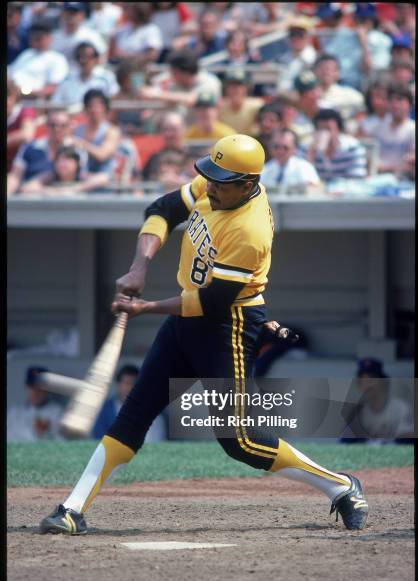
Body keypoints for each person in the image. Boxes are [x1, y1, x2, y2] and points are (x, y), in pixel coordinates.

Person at [39, 134, 368, 536]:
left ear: (248, 185)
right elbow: (161, 209)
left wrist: (144, 308)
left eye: (221, 181)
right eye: (209, 176)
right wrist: (140, 266)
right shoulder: (218, 188)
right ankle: (72, 509)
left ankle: (341, 486)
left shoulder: (250, 230)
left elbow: (210, 303)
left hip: (227, 326)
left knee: (240, 441)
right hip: (183, 322)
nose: (209, 185)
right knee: (133, 415)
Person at [7, 110, 78, 196]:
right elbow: (15, 176)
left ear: (69, 127)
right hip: (30, 201)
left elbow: (80, 178)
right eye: (53, 125)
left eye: (62, 125)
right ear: (46, 126)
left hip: (66, 202)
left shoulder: (76, 149)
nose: (57, 129)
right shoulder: (30, 147)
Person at [341, 358, 413, 442]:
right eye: (363, 380)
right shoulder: (357, 412)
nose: (367, 384)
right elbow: (347, 444)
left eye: (371, 378)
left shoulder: (400, 407)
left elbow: (408, 442)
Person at [92, 364, 167, 441]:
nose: (130, 388)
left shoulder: (154, 410)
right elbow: (98, 438)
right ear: (119, 385)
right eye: (127, 383)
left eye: (134, 384)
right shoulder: (104, 410)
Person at [141, 49, 222, 110]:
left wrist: (158, 94)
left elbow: (192, 99)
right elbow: (148, 88)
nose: (171, 75)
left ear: (185, 73)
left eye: (174, 72)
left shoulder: (210, 82)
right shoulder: (174, 81)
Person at [8, 20, 69, 98]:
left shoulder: (57, 58)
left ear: (49, 38)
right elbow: (11, 72)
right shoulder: (27, 53)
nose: (35, 41)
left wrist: (26, 92)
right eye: (33, 38)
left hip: (34, 100)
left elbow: (53, 88)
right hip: (14, 95)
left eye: (39, 38)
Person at [19, 144, 109, 195]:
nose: (62, 164)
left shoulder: (81, 176)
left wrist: (75, 189)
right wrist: (55, 192)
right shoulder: (51, 176)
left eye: (67, 159)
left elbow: (104, 178)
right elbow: (27, 188)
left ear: (77, 163)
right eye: (59, 160)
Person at [306, 108, 368, 183]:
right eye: (321, 129)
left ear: (338, 130)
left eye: (328, 129)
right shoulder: (306, 148)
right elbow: (302, 180)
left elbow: (357, 178)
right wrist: (310, 158)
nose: (324, 133)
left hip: (346, 191)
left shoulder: (352, 148)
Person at [71, 89, 121, 179]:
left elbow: (102, 155)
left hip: (105, 178)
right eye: (91, 106)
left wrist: (81, 143)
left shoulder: (112, 131)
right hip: (81, 176)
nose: (94, 110)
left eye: (98, 106)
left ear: (105, 109)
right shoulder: (78, 130)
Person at [367, 84, 415, 176]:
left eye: (399, 99)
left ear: (409, 104)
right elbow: (369, 157)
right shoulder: (378, 127)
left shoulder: (412, 129)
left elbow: (411, 162)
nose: (395, 104)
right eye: (391, 100)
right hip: (377, 177)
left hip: (404, 181)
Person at [51, 42, 120, 106]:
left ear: (96, 59)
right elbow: (57, 103)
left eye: (89, 57)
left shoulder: (107, 77)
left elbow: (113, 101)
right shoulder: (67, 79)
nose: (84, 60)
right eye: (80, 56)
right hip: (70, 117)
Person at [7, 366, 65, 442]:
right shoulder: (14, 414)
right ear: (27, 387)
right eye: (32, 387)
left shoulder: (59, 414)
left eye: (40, 388)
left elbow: (66, 444)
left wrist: (46, 433)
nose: (36, 392)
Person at [260, 128, 321, 193]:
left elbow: (314, 189)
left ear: (295, 148)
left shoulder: (305, 167)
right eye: (276, 147)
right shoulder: (266, 168)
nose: (280, 151)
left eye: (285, 147)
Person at [51, 2, 106, 67]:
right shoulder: (53, 36)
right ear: (62, 14)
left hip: (81, 75)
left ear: (82, 16)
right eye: (67, 12)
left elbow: (101, 59)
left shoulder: (91, 36)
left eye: (74, 13)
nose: (70, 16)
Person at [109, 2, 163, 67]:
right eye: (129, 10)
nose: (130, 13)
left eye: (133, 10)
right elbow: (115, 51)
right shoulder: (123, 29)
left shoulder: (151, 29)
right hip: (121, 68)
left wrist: (131, 58)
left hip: (141, 69)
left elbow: (153, 55)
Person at [313, 54, 365, 121]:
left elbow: (362, 112)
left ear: (338, 73)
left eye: (330, 69)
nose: (326, 72)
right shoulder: (307, 95)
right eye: (322, 68)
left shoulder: (350, 95)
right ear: (314, 71)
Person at [142, 111, 187, 181]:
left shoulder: (193, 157)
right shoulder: (154, 159)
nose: (169, 134)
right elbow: (145, 182)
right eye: (165, 129)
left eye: (173, 129)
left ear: (183, 130)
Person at [219, 68, 264, 136]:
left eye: (240, 85)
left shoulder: (257, 105)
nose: (236, 89)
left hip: (250, 144)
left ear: (246, 88)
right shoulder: (219, 107)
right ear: (226, 89)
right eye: (232, 86)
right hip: (226, 144)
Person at [276, 16, 317, 92]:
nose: (295, 38)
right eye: (292, 34)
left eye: (300, 34)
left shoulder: (316, 60)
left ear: (309, 37)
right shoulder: (282, 59)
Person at [7, 78, 37, 173]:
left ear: (15, 97)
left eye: (8, 95)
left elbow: (27, 135)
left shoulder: (24, 111)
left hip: (18, 169)